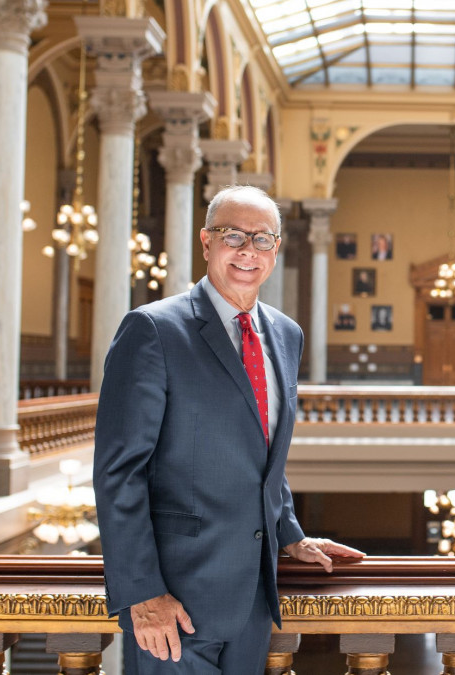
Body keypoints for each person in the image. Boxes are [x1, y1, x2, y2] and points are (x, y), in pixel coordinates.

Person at [94, 185, 365, 673]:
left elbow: (262, 452)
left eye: (262, 239)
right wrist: (143, 592)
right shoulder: (152, 329)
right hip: (172, 605)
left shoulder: (285, 334)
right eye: (233, 235)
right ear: (205, 242)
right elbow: (119, 472)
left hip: (253, 603)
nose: (248, 250)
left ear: (276, 249)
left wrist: (290, 535)